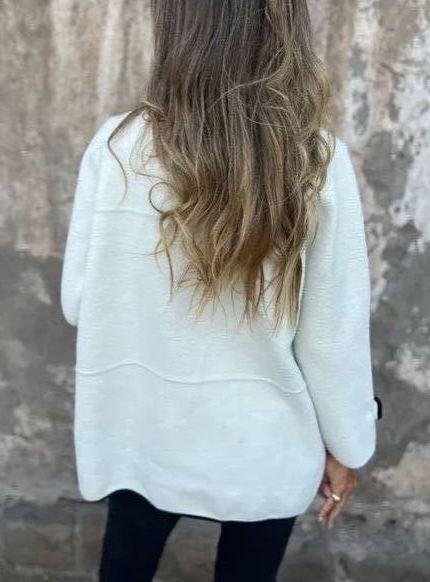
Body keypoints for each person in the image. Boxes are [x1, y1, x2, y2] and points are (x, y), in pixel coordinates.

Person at [60, 1, 382, 580]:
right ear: (284, 29)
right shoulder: (316, 160)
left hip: (145, 429)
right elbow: (331, 343)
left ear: (176, 25)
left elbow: (80, 302)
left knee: (125, 564)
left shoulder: (116, 147)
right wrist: (349, 447)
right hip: (264, 441)